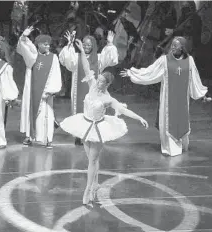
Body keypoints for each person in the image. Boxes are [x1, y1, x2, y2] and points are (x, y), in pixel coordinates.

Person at [60, 39, 148, 207]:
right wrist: (80, 49)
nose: (98, 82)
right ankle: (95, 182)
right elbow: (86, 67)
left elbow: (123, 111)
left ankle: (88, 190)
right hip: (84, 125)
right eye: (98, 79)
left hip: (98, 129)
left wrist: (139, 118)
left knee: (91, 161)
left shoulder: (108, 99)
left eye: (101, 81)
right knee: (92, 159)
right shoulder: (92, 85)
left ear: (107, 84)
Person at [120, 37, 210, 157]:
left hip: (183, 100)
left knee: (181, 121)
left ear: (182, 48)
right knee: (168, 122)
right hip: (168, 99)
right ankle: (170, 148)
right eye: (172, 45)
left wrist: (202, 95)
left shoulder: (190, 61)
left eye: (175, 46)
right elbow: (150, 71)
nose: (172, 47)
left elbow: (195, 79)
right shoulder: (165, 60)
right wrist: (133, 73)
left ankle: (182, 145)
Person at [59, 30, 118, 145]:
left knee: (93, 110)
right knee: (79, 110)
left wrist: (110, 44)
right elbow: (66, 61)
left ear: (93, 46)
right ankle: (79, 135)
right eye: (84, 44)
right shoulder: (77, 57)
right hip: (78, 90)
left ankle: (91, 134)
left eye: (89, 45)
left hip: (94, 90)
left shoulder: (99, 58)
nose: (86, 47)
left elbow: (112, 60)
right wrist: (69, 44)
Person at [17, 26, 62, 148]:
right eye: (45, 44)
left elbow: (56, 74)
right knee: (30, 111)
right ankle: (30, 136)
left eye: (49, 44)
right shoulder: (32, 57)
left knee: (46, 115)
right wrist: (23, 36)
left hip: (46, 92)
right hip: (32, 91)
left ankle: (47, 139)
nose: (48, 46)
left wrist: (52, 90)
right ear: (39, 45)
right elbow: (24, 47)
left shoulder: (53, 58)